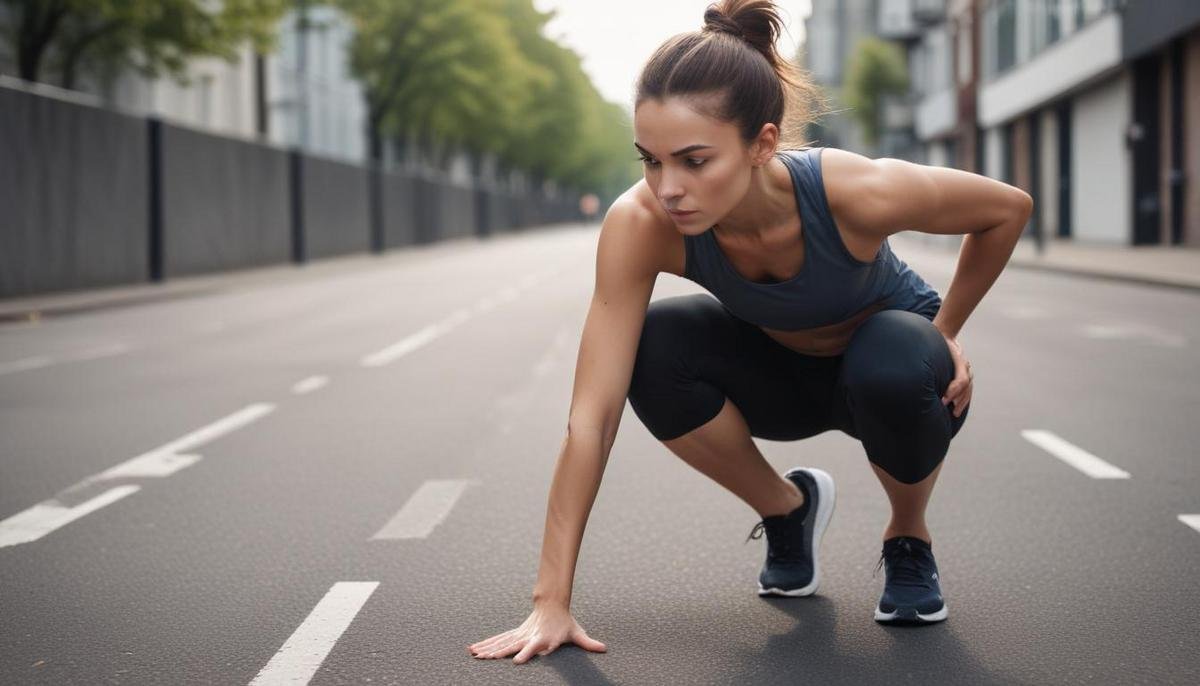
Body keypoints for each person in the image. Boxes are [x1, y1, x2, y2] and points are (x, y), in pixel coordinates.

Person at [468, 0, 1032, 664]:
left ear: (762, 144)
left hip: (900, 380)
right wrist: (550, 601)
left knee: (892, 353)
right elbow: (591, 418)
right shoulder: (641, 222)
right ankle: (787, 509)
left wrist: (945, 331)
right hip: (780, 375)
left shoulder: (852, 191)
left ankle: (908, 538)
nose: (667, 187)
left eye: (693, 160)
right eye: (650, 160)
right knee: (653, 347)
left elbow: (1006, 209)